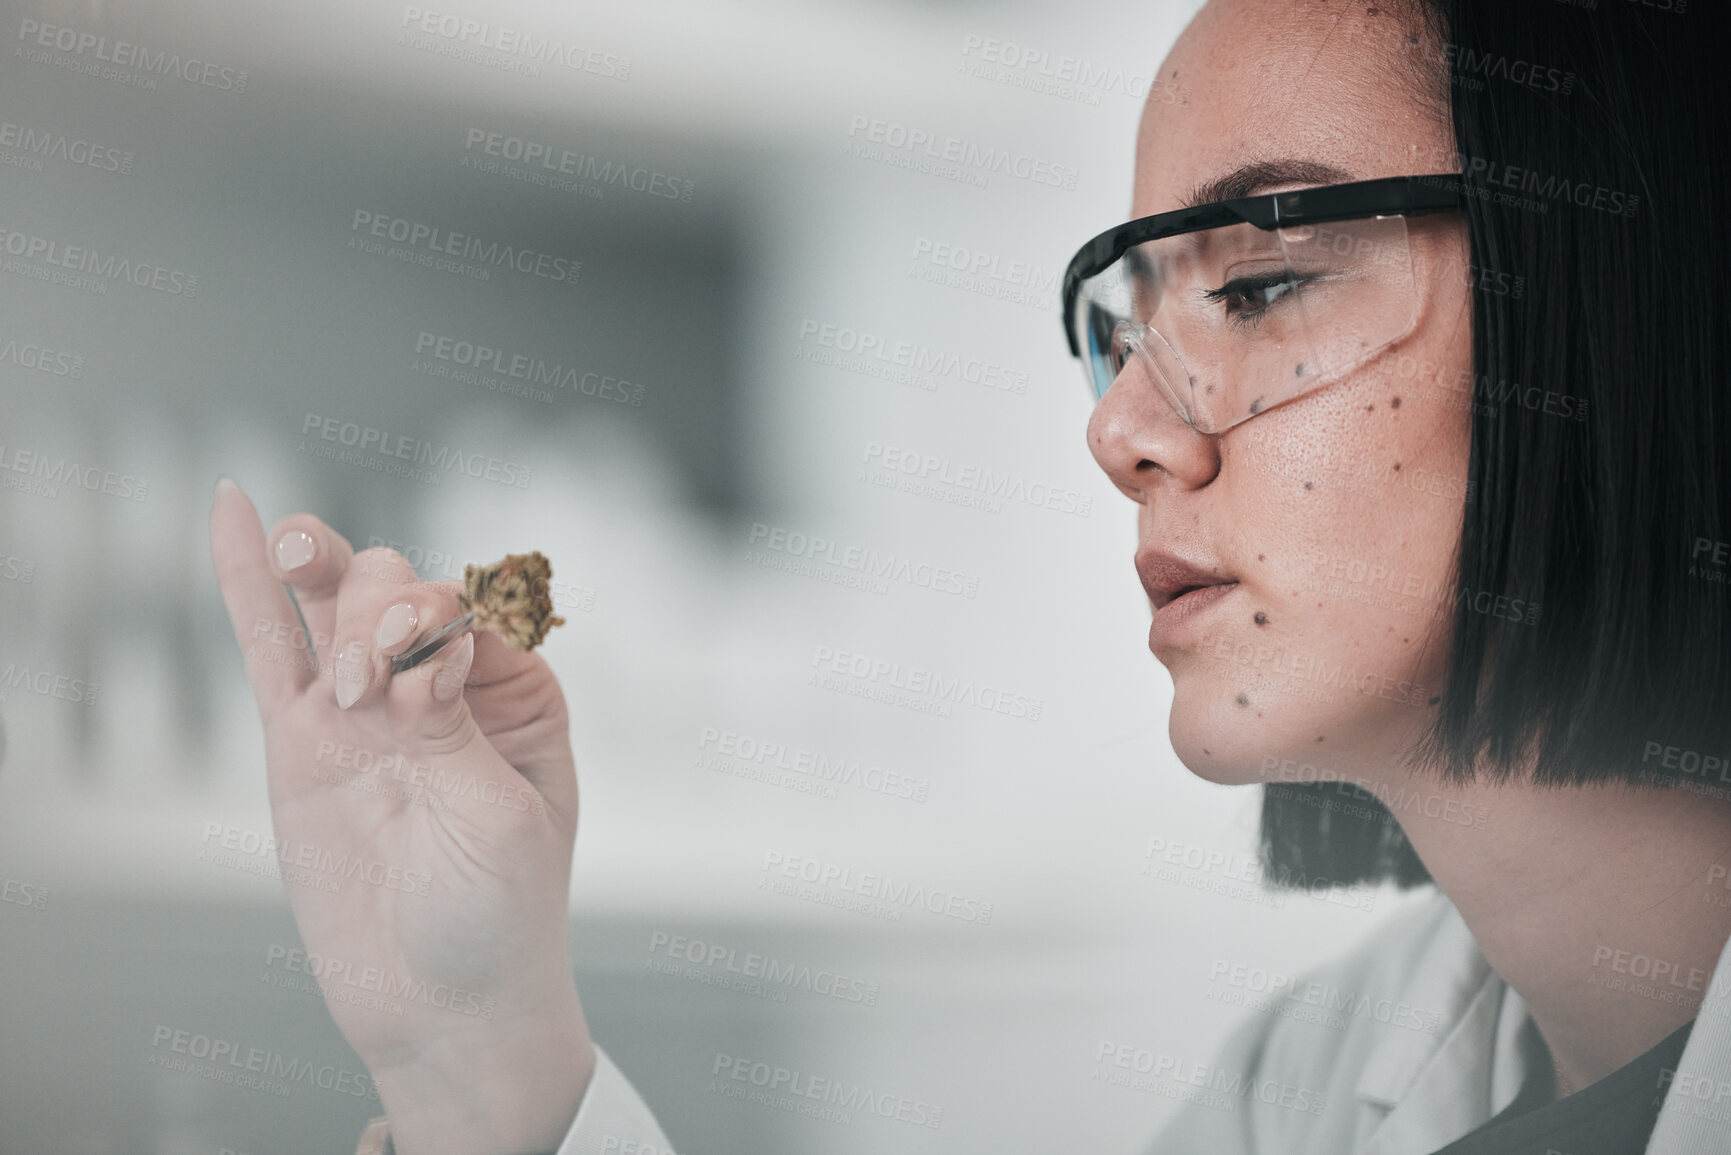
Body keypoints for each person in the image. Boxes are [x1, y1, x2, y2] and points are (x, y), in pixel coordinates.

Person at [207, 0, 1731, 1151]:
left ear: (1630, 289)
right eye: (1124, 333)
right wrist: (478, 1053)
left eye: (1258, 287)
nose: (1125, 430)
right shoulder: (1311, 1093)